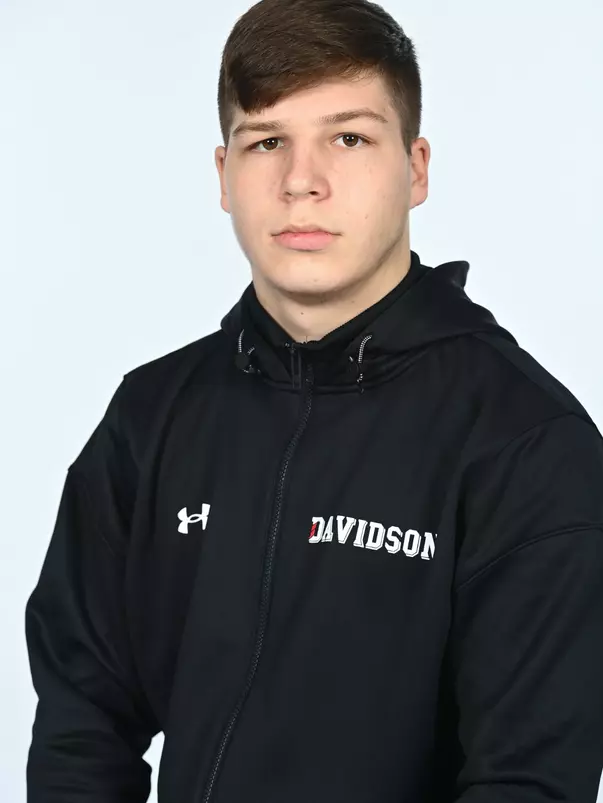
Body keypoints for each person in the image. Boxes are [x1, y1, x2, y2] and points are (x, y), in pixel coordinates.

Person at [25, 0, 603, 801]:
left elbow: (529, 779)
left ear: (416, 168)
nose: (301, 182)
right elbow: (80, 725)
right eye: (266, 141)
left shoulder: (524, 441)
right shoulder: (151, 417)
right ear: (223, 175)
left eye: (348, 138)